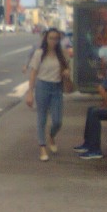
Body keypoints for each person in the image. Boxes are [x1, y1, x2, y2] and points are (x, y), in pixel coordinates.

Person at [25, 28, 71, 162]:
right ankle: (42, 147)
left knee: (57, 121)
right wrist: (30, 93)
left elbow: (67, 67)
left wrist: (67, 72)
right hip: (42, 86)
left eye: (56, 38)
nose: (53, 41)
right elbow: (33, 73)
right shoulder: (39, 53)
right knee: (42, 118)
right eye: (51, 38)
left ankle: (51, 136)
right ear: (46, 38)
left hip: (57, 87)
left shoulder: (62, 53)